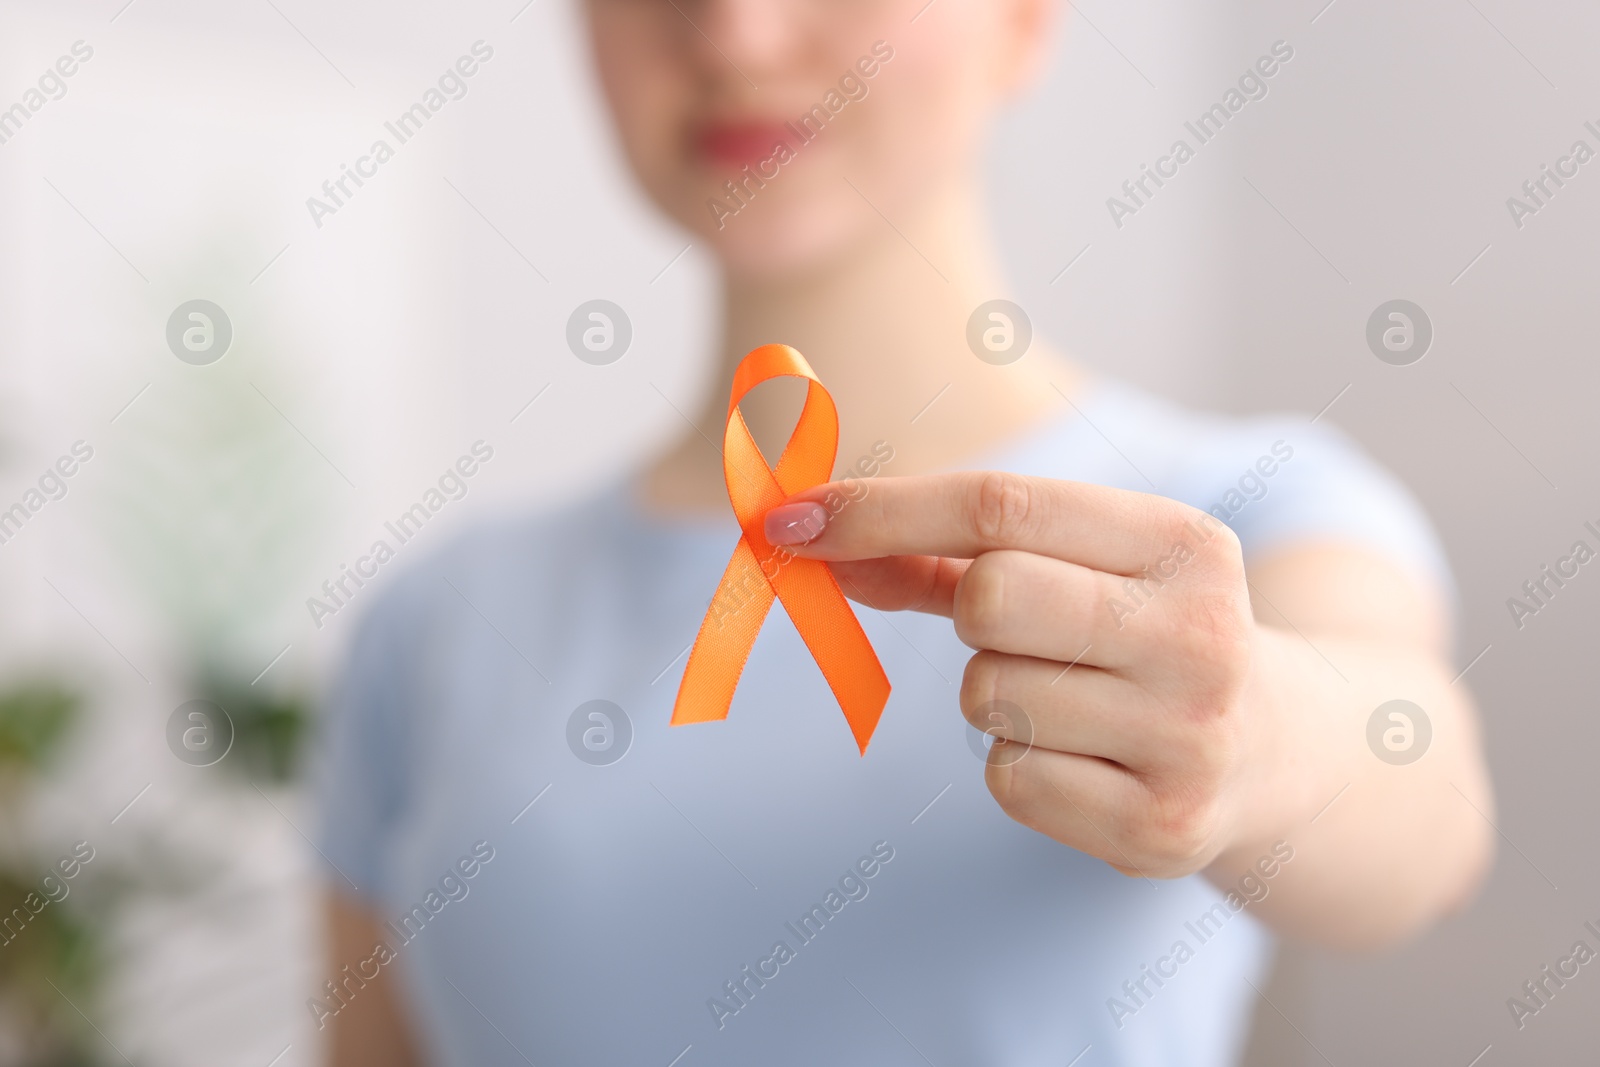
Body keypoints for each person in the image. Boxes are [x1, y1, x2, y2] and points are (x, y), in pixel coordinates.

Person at [316, 1, 1494, 1063]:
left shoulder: (1242, 508)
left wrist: (1253, 735)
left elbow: (1426, 809)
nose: (733, 31)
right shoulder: (429, 623)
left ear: (1024, 21)